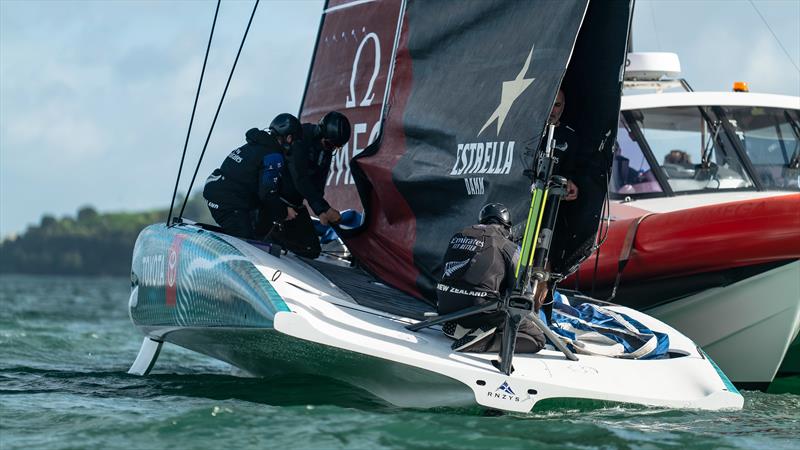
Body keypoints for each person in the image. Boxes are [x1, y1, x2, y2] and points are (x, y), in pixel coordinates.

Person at [437, 203, 546, 353]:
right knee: (538, 339)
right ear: (507, 227)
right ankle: (485, 342)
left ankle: (461, 330)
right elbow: (522, 293)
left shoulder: (458, 234)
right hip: (479, 311)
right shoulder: (509, 246)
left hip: (444, 308)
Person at [260, 111, 352, 259]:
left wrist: (321, 211)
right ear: (320, 133)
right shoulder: (300, 138)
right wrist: (323, 209)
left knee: (311, 250)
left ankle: (278, 241)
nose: (331, 149)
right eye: (329, 144)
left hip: (295, 205)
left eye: (336, 147)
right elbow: (300, 178)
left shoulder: (326, 150)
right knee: (265, 234)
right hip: (276, 200)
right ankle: (271, 237)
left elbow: (318, 185)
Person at [203, 113, 301, 240]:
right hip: (228, 200)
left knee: (251, 231)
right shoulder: (273, 156)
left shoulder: (257, 144)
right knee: (245, 241)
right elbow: (267, 194)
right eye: (294, 140)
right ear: (288, 138)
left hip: (215, 189)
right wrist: (283, 211)